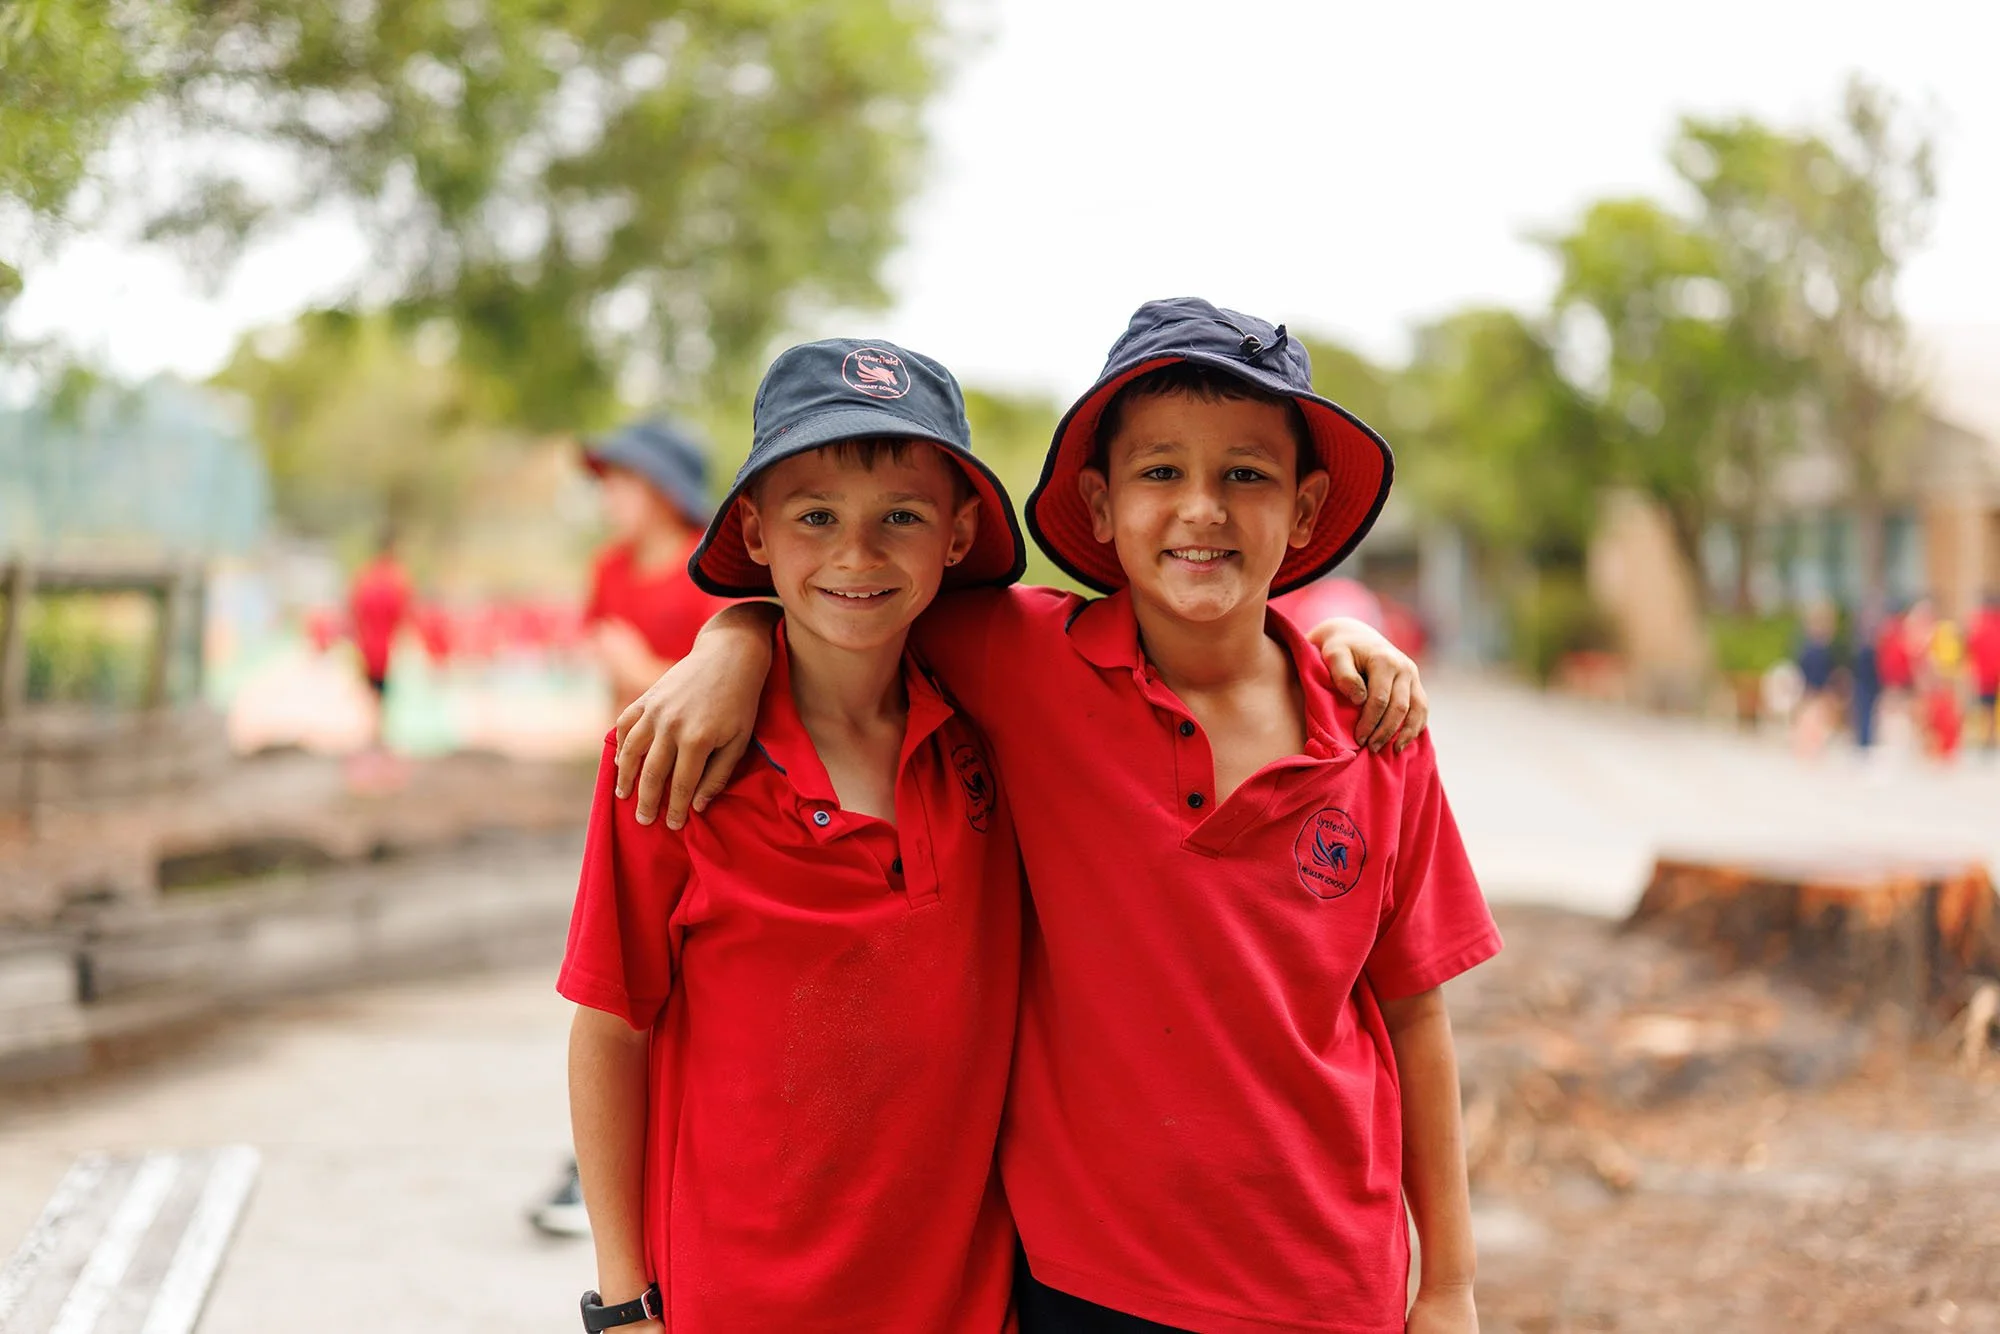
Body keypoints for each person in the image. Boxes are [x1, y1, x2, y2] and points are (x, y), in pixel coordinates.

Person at [616, 300, 1479, 1333]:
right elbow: (846, 585)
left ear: (1303, 510)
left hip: (1329, 1289)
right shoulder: (1018, 656)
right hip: (1083, 1287)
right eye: (1160, 471)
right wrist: (734, 639)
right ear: (1099, 503)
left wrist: (1450, 1284)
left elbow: (1413, 1014)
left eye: (1243, 474)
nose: (1201, 508)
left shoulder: (1374, 727)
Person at [561, 339, 1034, 1330]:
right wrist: (619, 1300)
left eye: (899, 516)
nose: (856, 553)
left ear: (957, 534)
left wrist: (1339, 642)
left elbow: (1173, 644)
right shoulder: (668, 762)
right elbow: (610, 1026)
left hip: (961, 1303)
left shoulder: (1002, 718)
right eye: (814, 515)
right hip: (729, 1301)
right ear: (755, 530)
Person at [531, 416, 732, 1239]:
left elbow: (717, 691)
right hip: (626, 799)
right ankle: (597, 1163)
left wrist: (641, 676)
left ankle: (645, 1167)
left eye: (621, 480)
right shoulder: (608, 570)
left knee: (680, 992)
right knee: (610, 992)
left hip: (700, 804)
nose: (608, 496)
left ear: (661, 489)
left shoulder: (705, 575)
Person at [345, 527, 414, 783]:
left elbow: (353, 611)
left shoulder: (365, 577)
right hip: (383, 648)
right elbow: (403, 614)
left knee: (373, 697)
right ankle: (376, 743)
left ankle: (373, 741)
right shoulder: (396, 579)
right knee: (380, 699)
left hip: (366, 646)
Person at [1967, 593, 2000, 753]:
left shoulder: (1978, 624)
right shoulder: (1994, 623)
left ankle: (1986, 738)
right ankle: (1990, 738)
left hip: (1983, 675)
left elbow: (1971, 647)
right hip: (1994, 674)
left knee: (1985, 707)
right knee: (1990, 708)